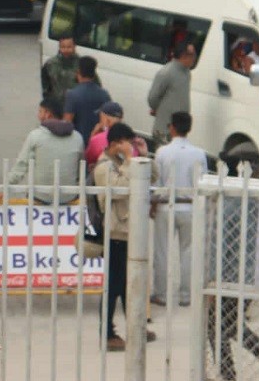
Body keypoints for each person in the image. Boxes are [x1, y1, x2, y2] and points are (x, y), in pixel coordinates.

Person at [204, 154, 259, 380]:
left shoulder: (230, 203)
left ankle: (231, 374)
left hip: (229, 277)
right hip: (250, 274)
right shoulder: (255, 201)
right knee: (228, 326)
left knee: (218, 327)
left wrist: (211, 281)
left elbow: (219, 248)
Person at [93, 122, 156, 351]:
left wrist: (144, 155)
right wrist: (131, 159)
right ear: (115, 144)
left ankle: (135, 326)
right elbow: (122, 188)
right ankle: (107, 333)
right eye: (127, 143)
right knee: (113, 285)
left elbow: (151, 177)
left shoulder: (121, 163)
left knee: (128, 285)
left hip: (129, 232)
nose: (130, 146)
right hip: (115, 233)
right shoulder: (104, 167)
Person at [151, 111, 206, 308]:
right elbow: (203, 182)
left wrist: (153, 204)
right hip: (190, 206)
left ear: (172, 127)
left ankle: (161, 294)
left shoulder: (162, 152)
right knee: (188, 251)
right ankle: (186, 295)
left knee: (162, 251)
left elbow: (157, 182)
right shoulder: (199, 153)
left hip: (166, 205)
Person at [0, 99, 83, 204]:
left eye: (40, 111)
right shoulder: (77, 138)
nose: (38, 115)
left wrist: (2, 190)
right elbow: (79, 170)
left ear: (47, 114)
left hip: (40, 197)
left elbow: (20, 168)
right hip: (69, 197)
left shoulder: (36, 136)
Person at [148, 40, 196, 146]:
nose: (194, 59)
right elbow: (153, 98)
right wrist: (158, 109)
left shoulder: (187, 73)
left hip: (180, 129)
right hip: (165, 129)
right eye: (193, 55)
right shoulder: (166, 72)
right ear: (184, 55)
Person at [85, 101, 148, 166]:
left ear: (106, 120)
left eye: (100, 117)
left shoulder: (96, 139)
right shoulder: (133, 139)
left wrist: (93, 136)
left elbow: (88, 162)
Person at [63, 56, 111, 140]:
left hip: (78, 142)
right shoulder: (104, 94)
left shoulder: (72, 94)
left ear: (78, 72)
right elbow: (109, 122)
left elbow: (67, 124)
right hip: (96, 143)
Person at [41, 36, 82, 107]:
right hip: (57, 104)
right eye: (63, 47)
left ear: (74, 47)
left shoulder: (82, 63)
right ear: (59, 47)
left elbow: (93, 83)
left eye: (69, 47)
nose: (66, 50)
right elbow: (45, 85)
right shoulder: (51, 64)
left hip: (77, 105)